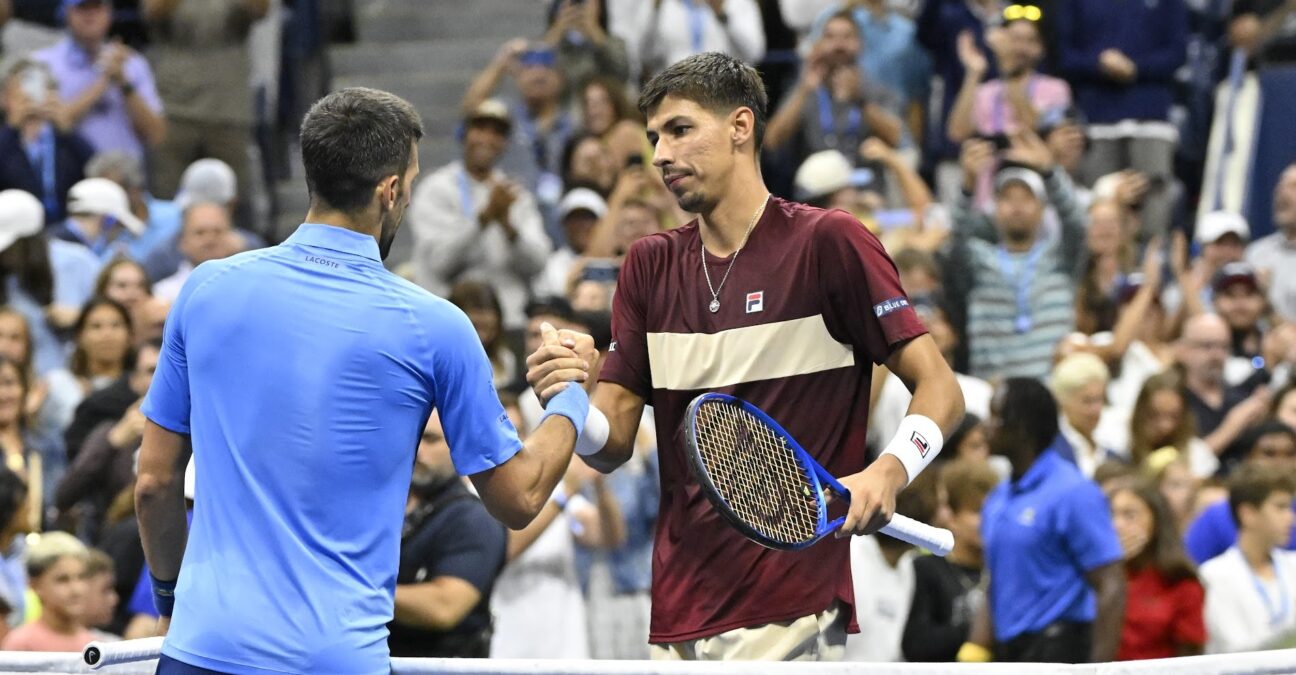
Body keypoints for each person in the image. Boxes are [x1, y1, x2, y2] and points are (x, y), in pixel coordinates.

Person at [525, 52, 964, 661]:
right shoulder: (648, 265)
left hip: (790, 603)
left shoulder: (829, 242)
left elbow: (942, 390)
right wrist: (571, 397)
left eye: (679, 130)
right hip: (678, 610)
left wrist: (889, 470)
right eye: (654, 138)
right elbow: (611, 445)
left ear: (740, 127)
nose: (660, 156)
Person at [134, 87, 588, 674]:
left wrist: (170, 601)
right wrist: (572, 394)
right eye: (412, 182)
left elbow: (153, 484)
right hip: (336, 661)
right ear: (390, 190)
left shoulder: (204, 290)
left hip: (202, 651)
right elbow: (521, 498)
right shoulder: (437, 326)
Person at [974, 378, 1126, 663]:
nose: (985, 426)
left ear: (1020, 428)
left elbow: (1111, 583)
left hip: (1060, 650)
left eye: (995, 416)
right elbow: (994, 579)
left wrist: (1098, 670)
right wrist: (975, 649)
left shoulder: (1073, 492)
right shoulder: (997, 498)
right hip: (1008, 654)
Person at [408, 100, 552, 331]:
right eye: (480, 129)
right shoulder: (436, 189)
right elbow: (440, 263)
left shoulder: (515, 195)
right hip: (449, 321)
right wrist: (483, 219)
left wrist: (509, 227)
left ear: (505, 143)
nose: (487, 138)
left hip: (507, 322)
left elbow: (538, 263)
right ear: (464, 134)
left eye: (497, 133)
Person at [388, 413, 507, 658]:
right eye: (413, 438)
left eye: (431, 440)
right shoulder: (384, 505)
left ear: (458, 445)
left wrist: (355, 592)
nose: (418, 450)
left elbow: (444, 607)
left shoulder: (473, 518)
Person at [33, 0, 165, 159]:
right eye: (82, 8)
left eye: (97, 7)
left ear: (110, 13)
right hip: (71, 176)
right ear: (66, 13)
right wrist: (104, 81)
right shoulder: (44, 63)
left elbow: (156, 135)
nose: (90, 15)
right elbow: (54, 125)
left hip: (125, 176)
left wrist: (124, 83)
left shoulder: (133, 63)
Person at [902, 458, 999, 662]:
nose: (989, 520)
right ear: (951, 517)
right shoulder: (926, 568)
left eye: (994, 512)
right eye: (978, 512)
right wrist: (981, 629)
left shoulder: (1001, 571)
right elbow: (916, 644)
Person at [1200, 464, 1296, 653]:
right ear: (1248, 513)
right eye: (1280, 507)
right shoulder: (1214, 575)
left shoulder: (1293, 565)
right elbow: (1233, 650)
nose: (1291, 518)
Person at [1110, 481, 1205, 660]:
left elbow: (1191, 652)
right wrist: (1111, 569)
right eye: (1111, 514)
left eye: (1129, 515)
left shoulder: (1180, 582)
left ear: (1157, 522)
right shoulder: (1092, 579)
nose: (1117, 525)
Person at [1184, 421, 1296, 563]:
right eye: (1269, 453)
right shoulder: (1217, 515)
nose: (1280, 462)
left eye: (1290, 454)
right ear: (1248, 457)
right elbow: (1188, 569)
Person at [0, 60, 95, 224]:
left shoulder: (64, 138)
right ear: (4, 97)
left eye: (35, 85)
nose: (29, 95)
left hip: (66, 228)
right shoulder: (6, 140)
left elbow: (95, 170)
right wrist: (12, 128)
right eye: (22, 87)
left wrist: (67, 130)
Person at [1, 531, 94, 652]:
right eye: (62, 580)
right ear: (35, 585)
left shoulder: (95, 645)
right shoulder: (20, 645)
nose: (76, 590)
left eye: (81, 577)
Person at [151, 202, 237, 303]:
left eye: (217, 231)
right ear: (183, 242)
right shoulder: (162, 295)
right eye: (200, 233)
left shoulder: (248, 287)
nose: (210, 240)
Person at [1247, 164, 1296, 320]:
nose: (1282, 193)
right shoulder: (1256, 253)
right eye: (1280, 186)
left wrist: (1265, 304)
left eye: (1294, 187)